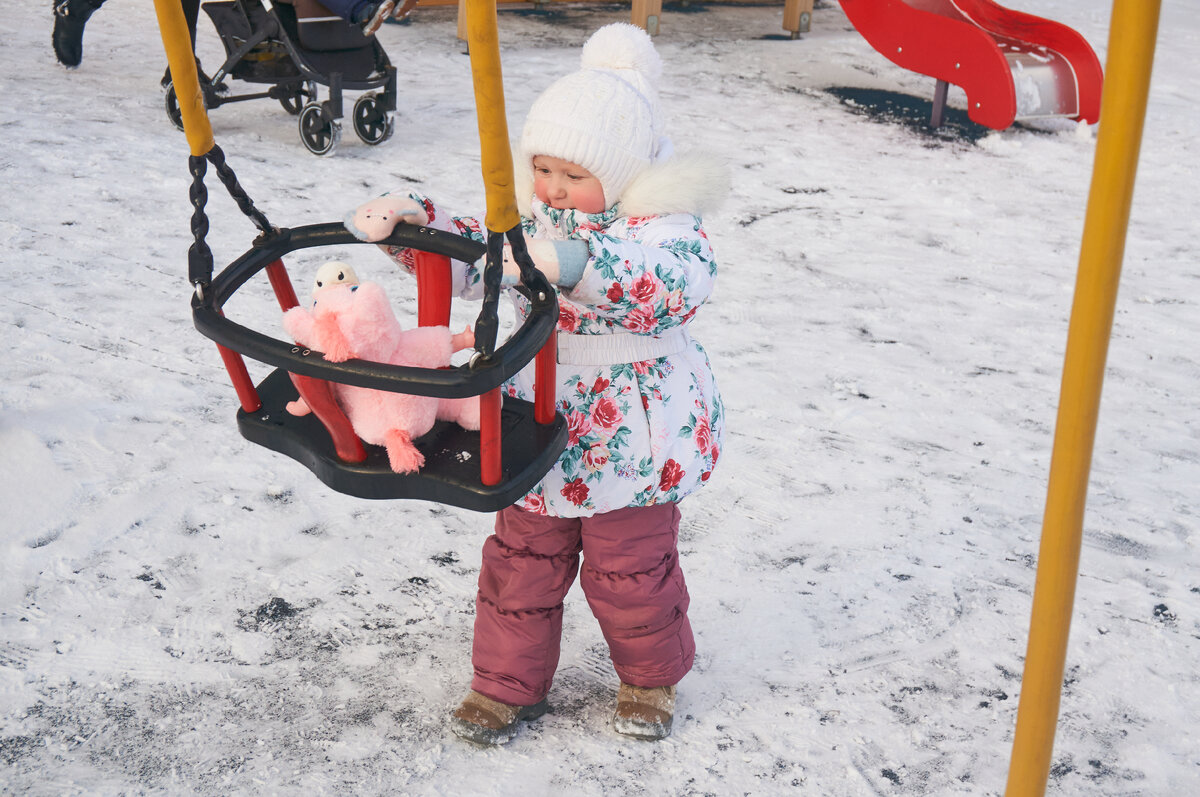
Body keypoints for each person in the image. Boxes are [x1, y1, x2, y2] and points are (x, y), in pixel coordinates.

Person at [346, 22, 728, 745]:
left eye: (571, 174)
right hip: (535, 428)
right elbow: (480, 261)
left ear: (616, 174)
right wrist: (415, 225)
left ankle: (649, 678)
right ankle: (503, 686)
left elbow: (676, 281)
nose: (551, 186)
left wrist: (577, 261)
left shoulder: (664, 223)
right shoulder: (531, 212)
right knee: (521, 564)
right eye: (542, 167)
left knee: (632, 570)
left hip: (633, 443)